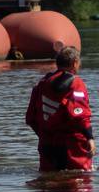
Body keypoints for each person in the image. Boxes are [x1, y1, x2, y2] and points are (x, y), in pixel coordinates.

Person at [25, 45, 94, 173]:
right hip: (72, 146)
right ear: (75, 63)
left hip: (46, 145)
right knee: (80, 182)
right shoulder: (75, 83)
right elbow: (79, 115)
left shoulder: (42, 83)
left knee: (49, 182)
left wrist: (43, 135)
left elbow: (30, 118)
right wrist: (90, 137)